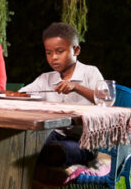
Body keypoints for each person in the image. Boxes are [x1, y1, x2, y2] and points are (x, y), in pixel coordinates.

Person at [21, 22, 105, 167]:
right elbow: (22, 95)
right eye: (49, 52)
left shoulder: (90, 72)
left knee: (56, 151)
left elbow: (104, 100)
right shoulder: (46, 78)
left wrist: (77, 87)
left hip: (84, 141)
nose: (53, 57)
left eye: (59, 51)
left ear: (76, 50)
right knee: (24, 145)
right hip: (55, 135)